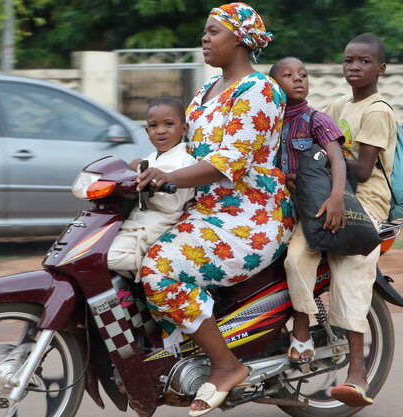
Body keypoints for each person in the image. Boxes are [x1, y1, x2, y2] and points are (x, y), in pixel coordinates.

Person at [136, 3, 293, 416]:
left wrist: (167, 178)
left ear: (239, 39)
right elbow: (181, 149)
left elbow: (228, 162)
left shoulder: (260, 92)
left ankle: (226, 366)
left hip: (249, 217)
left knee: (160, 269)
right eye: (204, 32)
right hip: (201, 209)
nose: (204, 39)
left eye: (212, 32)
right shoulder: (205, 91)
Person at [286, 33, 397, 408]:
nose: (354, 67)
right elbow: (311, 133)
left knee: (349, 277)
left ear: (379, 69)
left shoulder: (377, 110)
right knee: (295, 255)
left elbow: (363, 170)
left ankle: (357, 373)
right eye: (349, 60)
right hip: (328, 194)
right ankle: (301, 330)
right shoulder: (336, 106)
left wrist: (317, 163)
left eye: (364, 62)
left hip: (362, 204)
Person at [268, 57, 348, 363]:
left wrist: (337, 197)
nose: (298, 79)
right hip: (276, 211)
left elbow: (337, 159)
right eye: (288, 75)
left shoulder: (317, 120)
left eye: (303, 74)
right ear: (274, 85)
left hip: (310, 212)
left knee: (297, 260)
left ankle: (301, 329)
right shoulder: (269, 126)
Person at [107, 97, 197, 280]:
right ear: (147, 132)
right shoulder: (152, 158)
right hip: (134, 224)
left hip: (153, 228)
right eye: (154, 126)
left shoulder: (186, 162)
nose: (161, 131)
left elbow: (170, 202)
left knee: (108, 259)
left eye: (169, 124)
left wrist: (141, 169)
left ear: (184, 129)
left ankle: (152, 269)